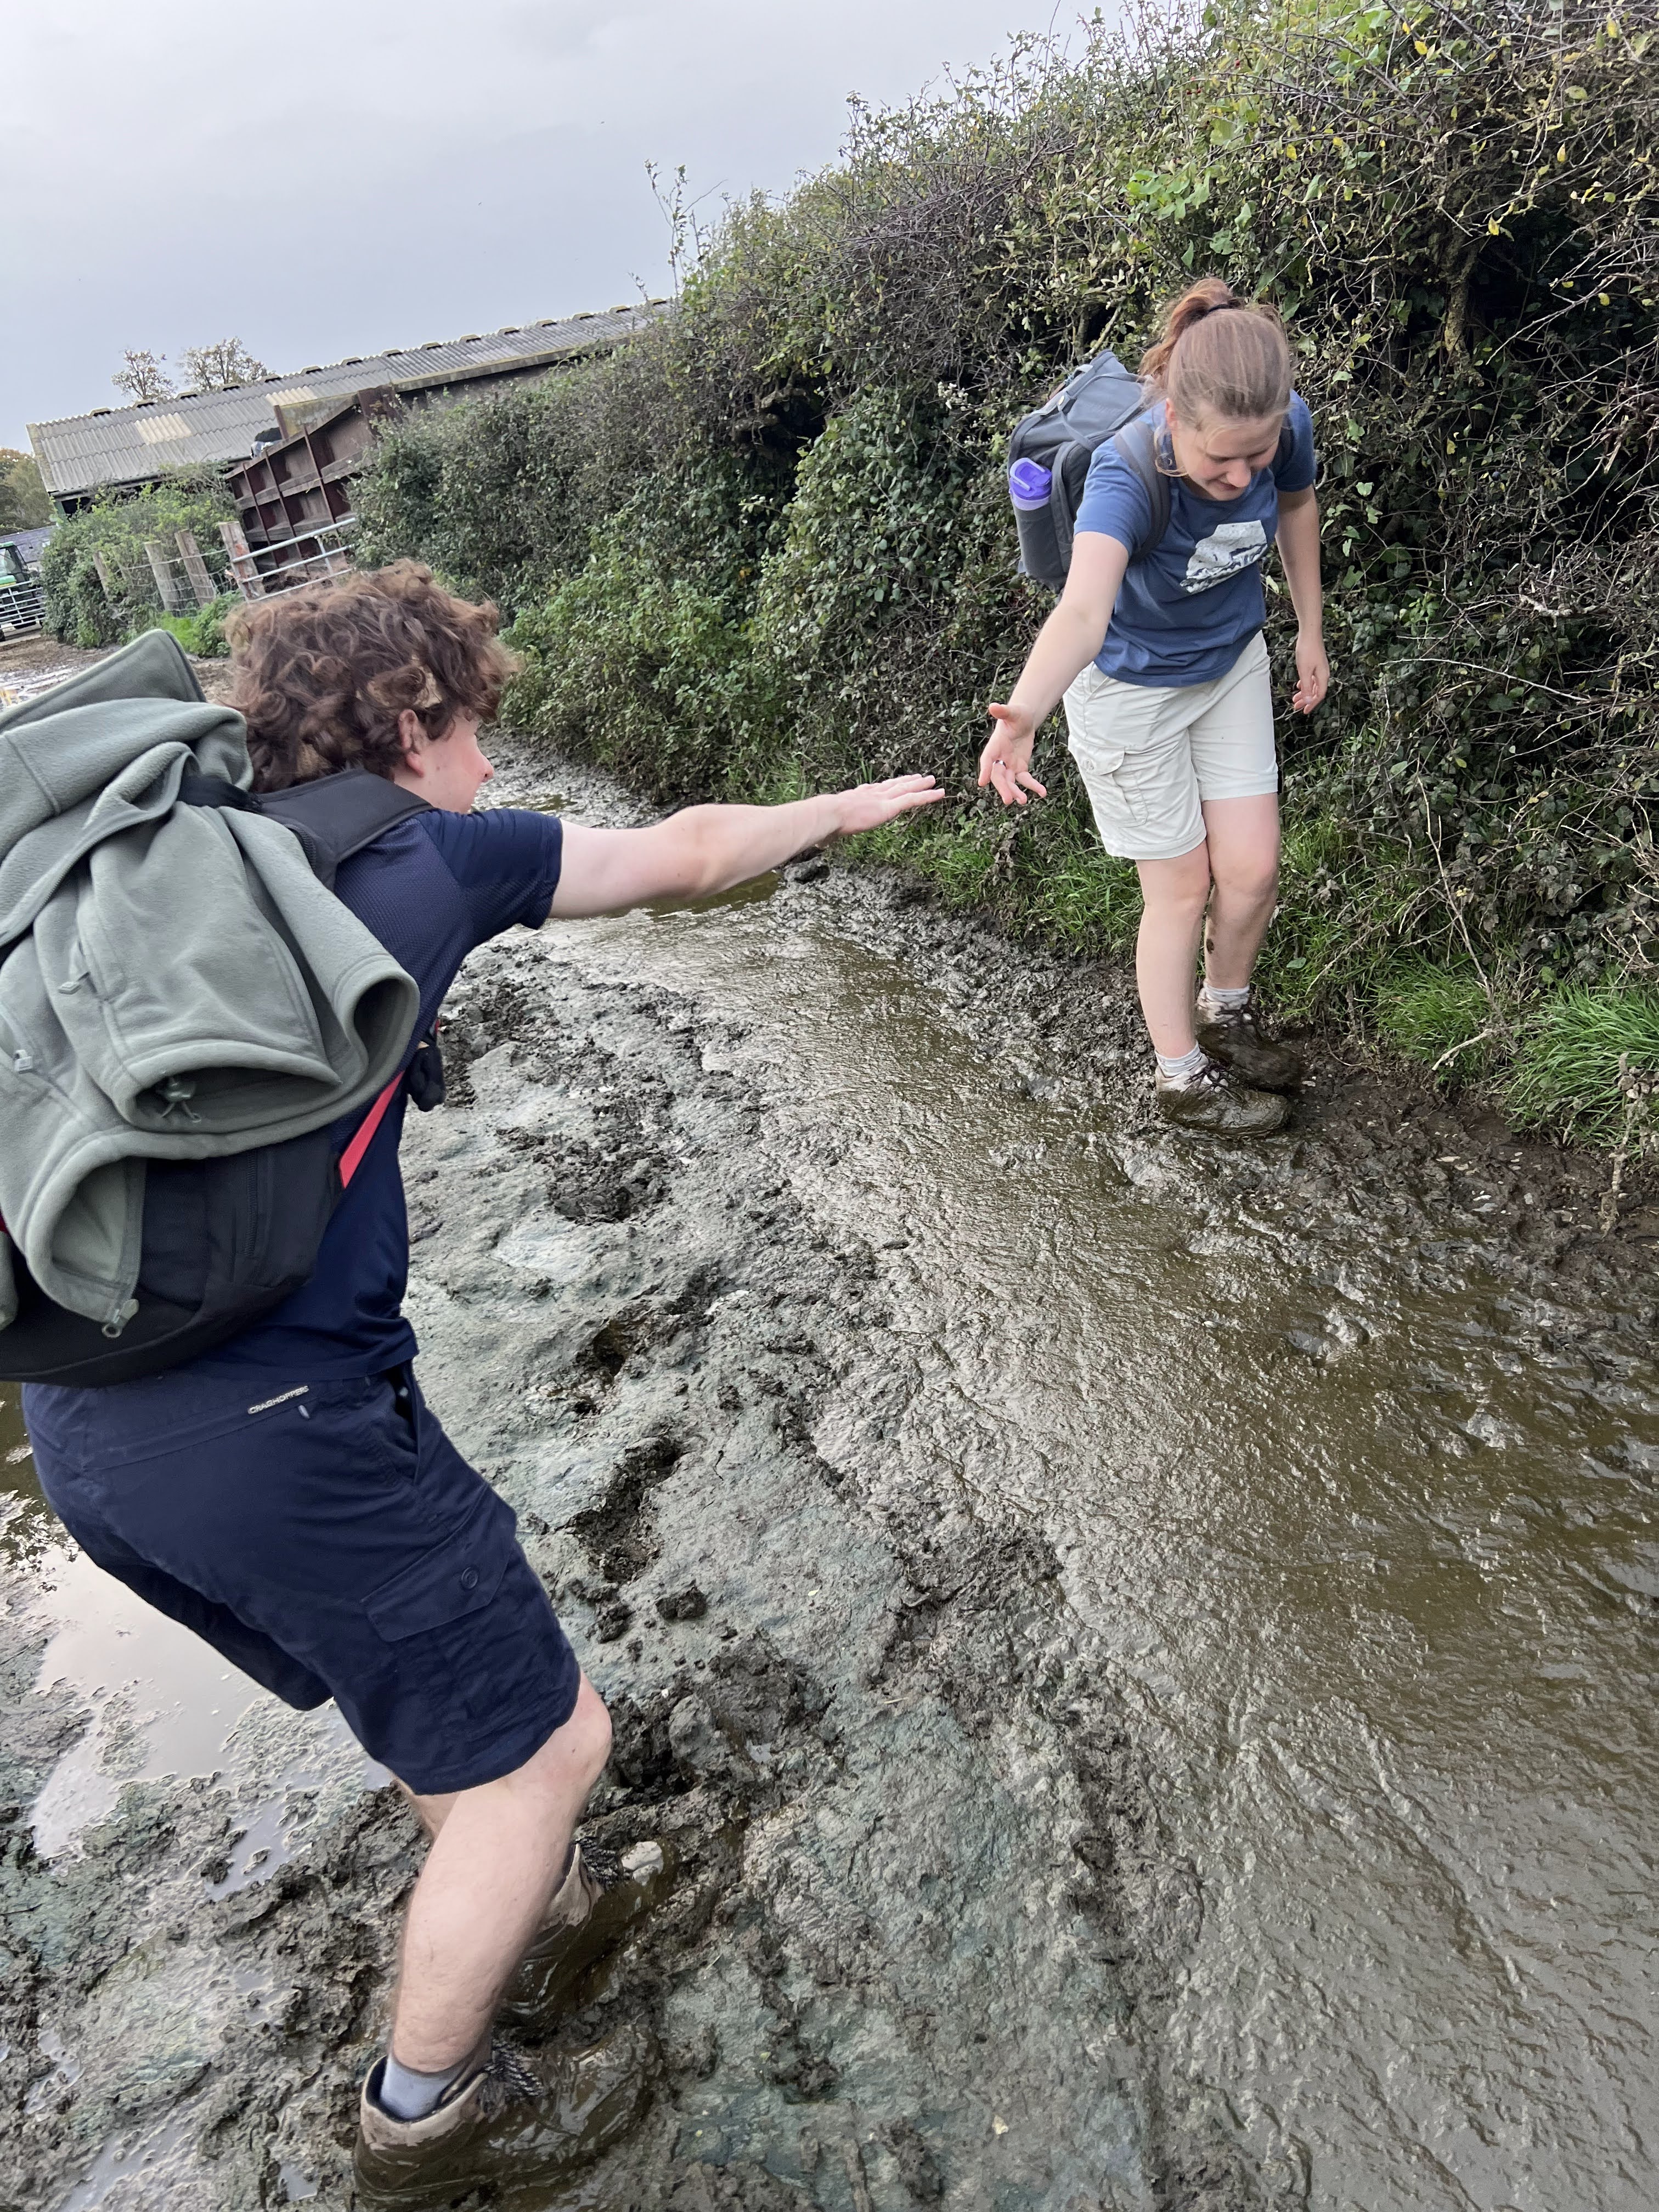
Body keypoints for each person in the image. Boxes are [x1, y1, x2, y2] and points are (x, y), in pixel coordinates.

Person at [19, 563, 944, 2208]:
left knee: (443, 1710)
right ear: (406, 722)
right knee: (549, 1753)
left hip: (89, 1424)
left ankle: (519, 1882)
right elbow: (690, 857)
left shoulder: (186, 874)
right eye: (475, 729)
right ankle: (421, 2118)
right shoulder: (424, 854)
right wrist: (847, 807)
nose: (493, 767)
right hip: (273, 1433)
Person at [978, 278, 1329, 1135]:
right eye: (1222, 462)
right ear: (1174, 417)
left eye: (1258, 453)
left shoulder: (1282, 426)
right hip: (1131, 696)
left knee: (1251, 873)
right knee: (1181, 889)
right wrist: (1025, 714)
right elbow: (1084, 610)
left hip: (1231, 666)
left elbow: (1297, 506)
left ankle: (1227, 1015)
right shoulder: (1124, 474)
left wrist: (1310, 629)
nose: (1242, 474)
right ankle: (1181, 1077)